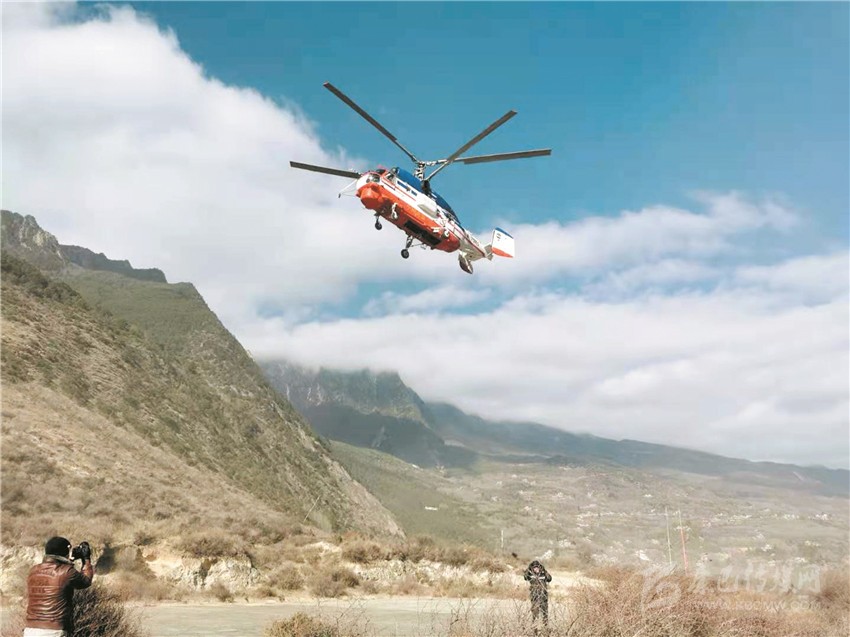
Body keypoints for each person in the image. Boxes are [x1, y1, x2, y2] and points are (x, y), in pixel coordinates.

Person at [24, 536, 93, 637]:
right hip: (54, 630)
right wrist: (86, 559)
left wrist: (69, 560)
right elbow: (85, 581)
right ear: (66, 551)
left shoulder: (33, 571)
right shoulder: (67, 571)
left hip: (30, 630)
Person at [524, 559, 552, 629]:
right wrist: (528, 569)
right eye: (534, 568)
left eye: (537, 567)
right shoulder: (530, 574)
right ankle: (534, 628)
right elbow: (525, 577)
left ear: (540, 567)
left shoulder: (543, 573)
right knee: (535, 613)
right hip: (534, 596)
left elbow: (549, 579)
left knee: (545, 613)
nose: (536, 569)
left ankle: (545, 627)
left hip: (543, 596)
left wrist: (545, 571)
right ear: (532, 568)